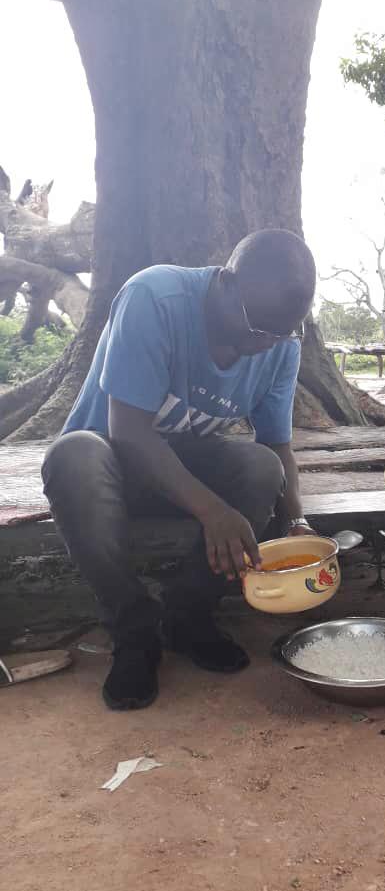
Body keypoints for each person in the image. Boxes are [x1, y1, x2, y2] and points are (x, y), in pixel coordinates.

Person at [42, 229, 317, 711]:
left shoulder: (279, 345)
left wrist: (297, 522)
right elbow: (129, 432)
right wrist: (213, 510)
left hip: (180, 472)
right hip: (108, 468)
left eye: (282, 333)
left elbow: (276, 443)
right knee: (72, 456)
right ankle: (134, 631)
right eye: (257, 327)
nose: (264, 344)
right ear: (226, 282)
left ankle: (187, 616)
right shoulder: (155, 297)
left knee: (261, 467)